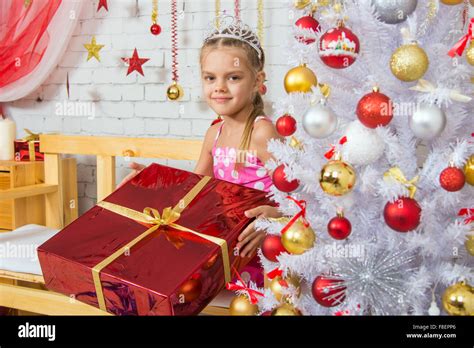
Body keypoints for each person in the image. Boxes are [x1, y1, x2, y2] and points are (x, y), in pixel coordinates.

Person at [118, 16, 284, 283]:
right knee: (153, 264)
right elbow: (192, 193)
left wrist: (275, 217)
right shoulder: (214, 134)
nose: (219, 86)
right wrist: (148, 184)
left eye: (233, 77)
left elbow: (300, 196)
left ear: (257, 80)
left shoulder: (261, 132)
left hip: (259, 248)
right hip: (221, 244)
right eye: (210, 77)